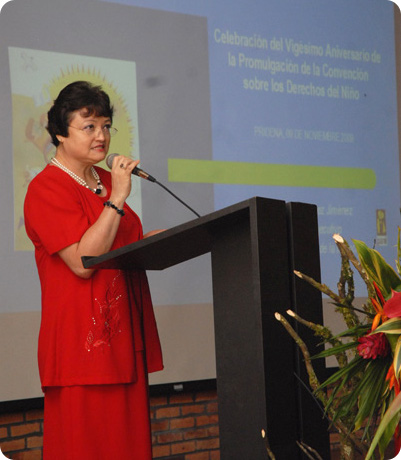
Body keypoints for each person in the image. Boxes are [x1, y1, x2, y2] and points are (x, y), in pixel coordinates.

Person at [24, 81, 164, 459]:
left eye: (105, 125)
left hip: (123, 345)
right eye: (89, 126)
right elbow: (84, 262)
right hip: (82, 351)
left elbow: (120, 243)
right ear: (59, 133)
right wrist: (118, 198)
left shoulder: (103, 181)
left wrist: (161, 239)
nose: (101, 136)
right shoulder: (46, 188)